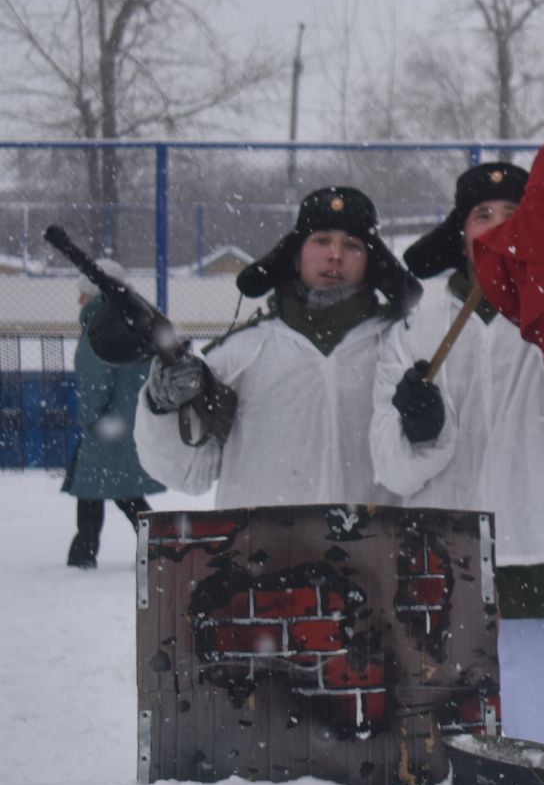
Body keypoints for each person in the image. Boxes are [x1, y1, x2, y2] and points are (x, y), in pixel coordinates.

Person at [370, 161, 544, 769]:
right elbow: (388, 464)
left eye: (514, 217)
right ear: (460, 233)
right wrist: (421, 429)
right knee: (438, 767)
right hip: (440, 565)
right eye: (482, 217)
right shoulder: (417, 327)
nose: (496, 229)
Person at [135, 186, 418, 507]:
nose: (336, 255)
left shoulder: (403, 348)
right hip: (260, 552)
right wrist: (163, 406)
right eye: (322, 240)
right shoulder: (240, 354)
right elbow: (189, 474)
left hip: (375, 549)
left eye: (352, 245)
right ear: (296, 255)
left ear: (371, 262)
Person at [62, 258, 165, 568]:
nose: (79, 299)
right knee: (117, 493)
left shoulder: (99, 328)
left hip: (108, 426)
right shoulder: (136, 322)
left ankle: (85, 554)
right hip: (129, 421)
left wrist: (90, 418)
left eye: (83, 292)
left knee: (108, 493)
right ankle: (157, 546)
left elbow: (95, 381)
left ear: (95, 294)